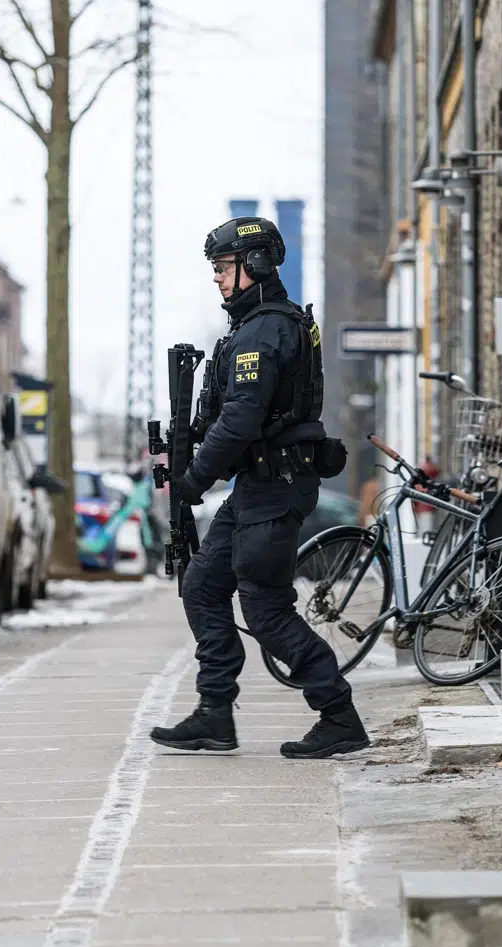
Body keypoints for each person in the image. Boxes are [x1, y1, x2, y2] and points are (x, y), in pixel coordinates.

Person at [149, 216, 370, 760]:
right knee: (201, 586)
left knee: (266, 610)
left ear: (255, 265)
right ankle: (214, 713)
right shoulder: (250, 329)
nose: (218, 280)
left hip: (276, 487)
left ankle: (338, 715)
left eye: (224, 269)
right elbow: (236, 416)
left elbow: (243, 421)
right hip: (257, 487)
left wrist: (194, 478)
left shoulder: (265, 331)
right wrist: (187, 440)